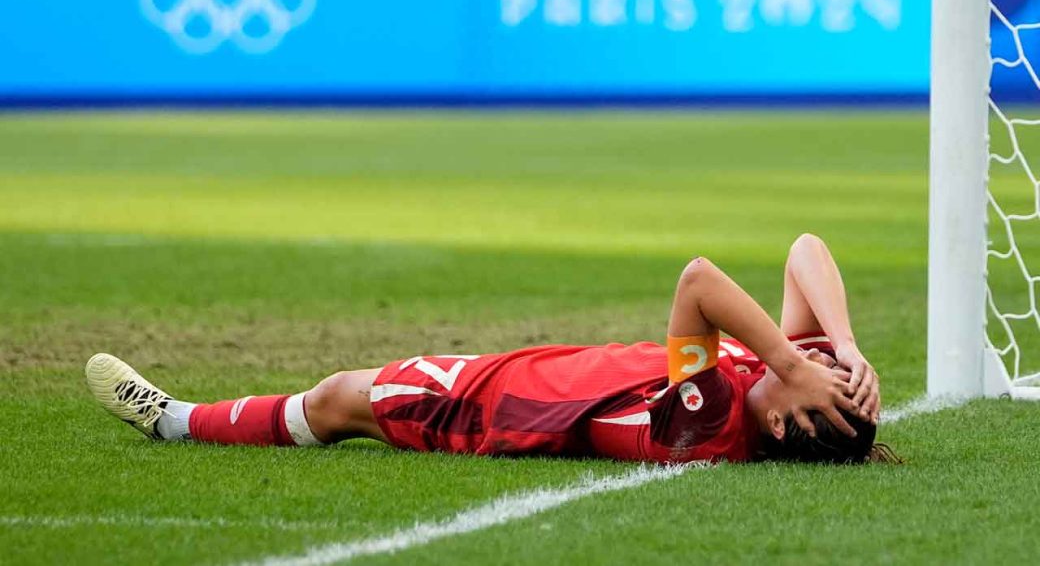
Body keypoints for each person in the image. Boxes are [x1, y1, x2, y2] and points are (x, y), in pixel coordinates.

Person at [86, 234, 888, 465]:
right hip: (542, 370)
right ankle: (182, 419)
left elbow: (698, 282)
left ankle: (175, 421)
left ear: (785, 424)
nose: (812, 365)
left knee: (337, 399)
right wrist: (843, 347)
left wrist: (789, 362)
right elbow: (807, 249)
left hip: (492, 409)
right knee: (342, 395)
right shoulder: (780, 382)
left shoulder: (708, 423)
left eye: (817, 380)